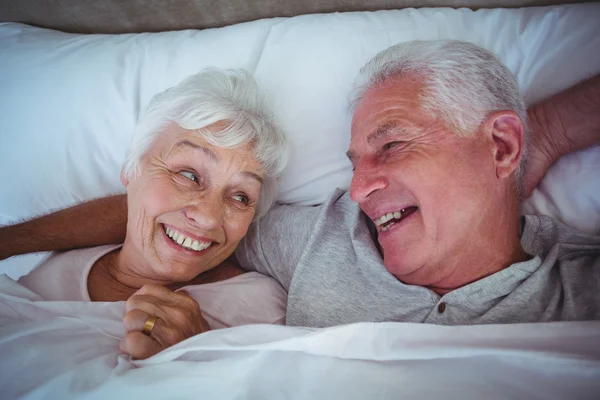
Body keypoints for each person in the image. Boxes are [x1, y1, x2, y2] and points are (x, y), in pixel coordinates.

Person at [1, 41, 599, 329]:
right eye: (354, 161)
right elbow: (185, 217)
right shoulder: (319, 236)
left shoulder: (580, 289)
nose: (360, 188)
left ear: (500, 146)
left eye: (390, 145)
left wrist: (549, 132)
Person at [6, 68, 289, 359]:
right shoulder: (63, 259)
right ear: (132, 170)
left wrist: (201, 354)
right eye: (189, 175)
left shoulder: (259, 308)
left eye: (241, 196)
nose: (208, 217)